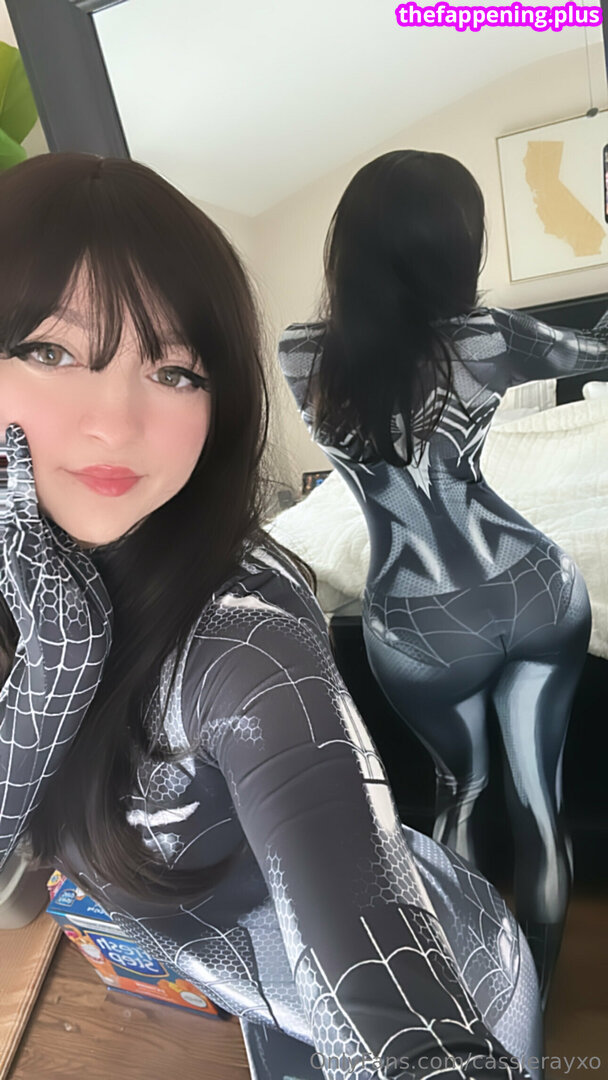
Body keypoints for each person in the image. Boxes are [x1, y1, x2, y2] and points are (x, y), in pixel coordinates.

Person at [0, 152, 543, 1080]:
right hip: (271, 1007)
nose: (116, 422)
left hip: (460, 976)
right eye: (51, 351)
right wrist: (57, 659)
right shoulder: (28, 584)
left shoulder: (244, 639)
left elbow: (399, 1014)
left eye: (175, 368)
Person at [278, 149, 608, 1013]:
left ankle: (479, 1001)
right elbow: (596, 348)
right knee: (540, 808)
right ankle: (541, 1003)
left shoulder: (301, 354)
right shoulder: (487, 339)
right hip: (535, 590)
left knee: (462, 799)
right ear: (458, 249)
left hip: (417, 625)